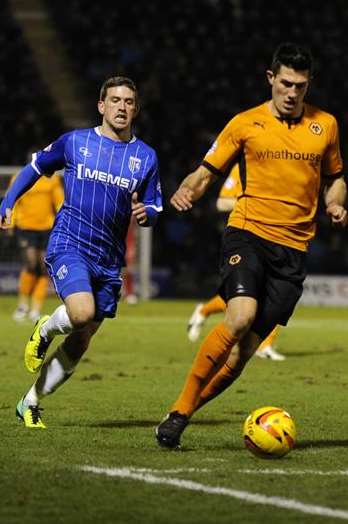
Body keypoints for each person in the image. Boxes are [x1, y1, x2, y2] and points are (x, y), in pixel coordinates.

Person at [156, 42, 347, 449]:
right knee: (240, 317)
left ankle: (185, 413)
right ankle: (177, 410)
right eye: (285, 83)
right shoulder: (245, 123)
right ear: (271, 79)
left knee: (242, 354)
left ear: (308, 84)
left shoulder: (326, 125)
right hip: (248, 232)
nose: (292, 93)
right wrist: (186, 191)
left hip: (293, 251)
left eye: (300, 85)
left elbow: (336, 176)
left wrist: (334, 203)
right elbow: (207, 170)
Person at [0, 76, 162, 429]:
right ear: (101, 106)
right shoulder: (75, 142)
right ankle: (44, 330)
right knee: (82, 312)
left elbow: (154, 207)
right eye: (115, 100)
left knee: (83, 337)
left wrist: (146, 214)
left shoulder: (145, 157)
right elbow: (36, 167)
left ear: (136, 109)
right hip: (70, 243)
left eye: (129, 102)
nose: (122, 107)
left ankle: (29, 402)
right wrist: (9, 200)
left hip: (109, 259)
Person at [187, 165, 284, 360]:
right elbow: (222, 203)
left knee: (277, 292)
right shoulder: (243, 167)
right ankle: (205, 311)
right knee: (248, 296)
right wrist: (256, 204)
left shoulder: (282, 166)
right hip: (245, 237)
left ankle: (264, 345)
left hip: (278, 236)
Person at [9, 165, 63, 322]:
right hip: (26, 228)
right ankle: (22, 305)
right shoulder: (19, 177)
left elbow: (59, 202)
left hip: (46, 228)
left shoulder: (51, 179)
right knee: (31, 265)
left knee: (43, 268)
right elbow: (13, 200)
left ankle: (35, 309)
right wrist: (11, 224)